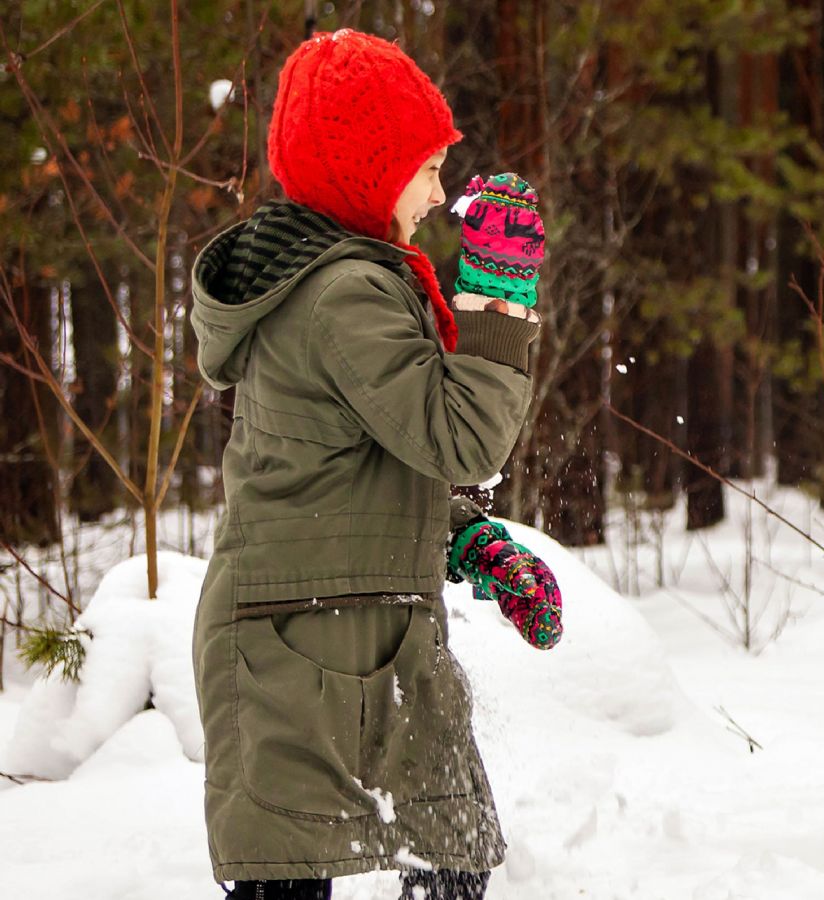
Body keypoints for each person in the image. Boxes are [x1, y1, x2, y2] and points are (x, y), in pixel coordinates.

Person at [189, 29, 560, 900]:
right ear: (364, 172)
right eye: (425, 169)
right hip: (294, 647)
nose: (437, 194)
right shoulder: (341, 294)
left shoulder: (353, 281)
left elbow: (365, 461)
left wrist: (464, 538)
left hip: (363, 625)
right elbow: (461, 438)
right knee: (293, 879)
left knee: (455, 859)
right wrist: (498, 301)